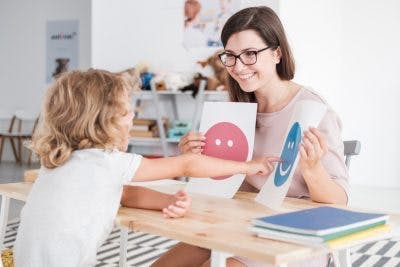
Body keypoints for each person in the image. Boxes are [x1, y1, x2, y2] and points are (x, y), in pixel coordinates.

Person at [13, 69, 279, 267]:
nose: (133, 117)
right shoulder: (106, 162)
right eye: (127, 111)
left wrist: (168, 200)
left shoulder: (62, 163)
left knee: (201, 247)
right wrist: (247, 166)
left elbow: (124, 194)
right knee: (202, 247)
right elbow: (188, 162)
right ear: (102, 121)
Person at [152, 6, 349, 267]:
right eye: (230, 56)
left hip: (296, 237)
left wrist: (312, 170)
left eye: (250, 54)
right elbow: (224, 184)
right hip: (240, 224)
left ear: (277, 53)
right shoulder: (235, 110)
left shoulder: (313, 110)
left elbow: (340, 201)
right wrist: (194, 158)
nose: (238, 66)